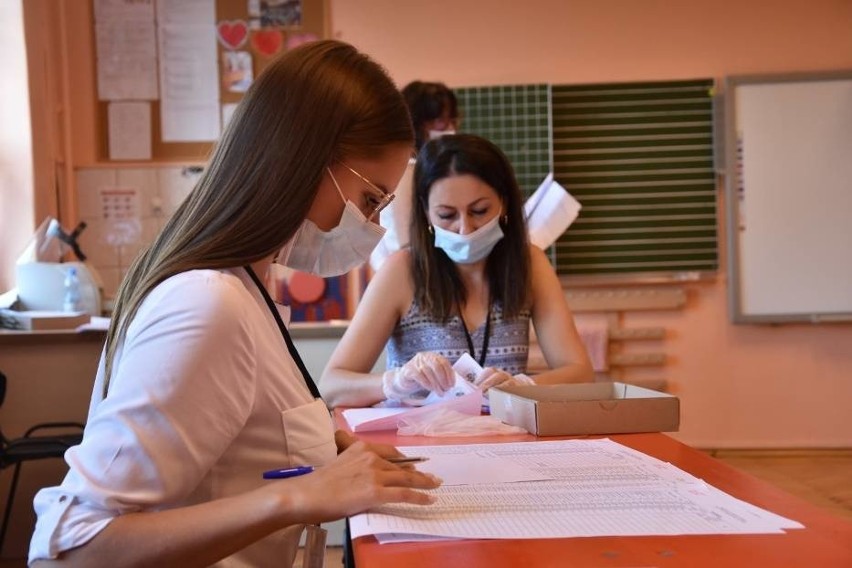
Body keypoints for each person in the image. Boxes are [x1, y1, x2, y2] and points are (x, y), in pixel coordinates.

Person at [28, 40, 441, 568]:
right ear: (304, 159)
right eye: (369, 199)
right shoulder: (208, 304)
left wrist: (329, 450)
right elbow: (74, 549)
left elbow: (237, 441)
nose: (374, 225)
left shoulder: (247, 285)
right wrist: (297, 497)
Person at [321, 134, 594, 409]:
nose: (465, 228)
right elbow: (331, 387)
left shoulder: (528, 263)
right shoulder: (402, 272)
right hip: (419, 442)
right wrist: (396, 382)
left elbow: (580, 374)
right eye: (447, 215)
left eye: (479, 210)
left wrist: (524, 386)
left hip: (503, 443)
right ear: (426, 213)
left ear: (505, 203)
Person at [369, 81, 460, 271]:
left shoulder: (420, 169)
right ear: (416, 123)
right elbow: (408, 243)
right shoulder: (408, 172)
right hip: (409, 275)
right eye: (441, 121)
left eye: (453, 119)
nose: (450, 128)